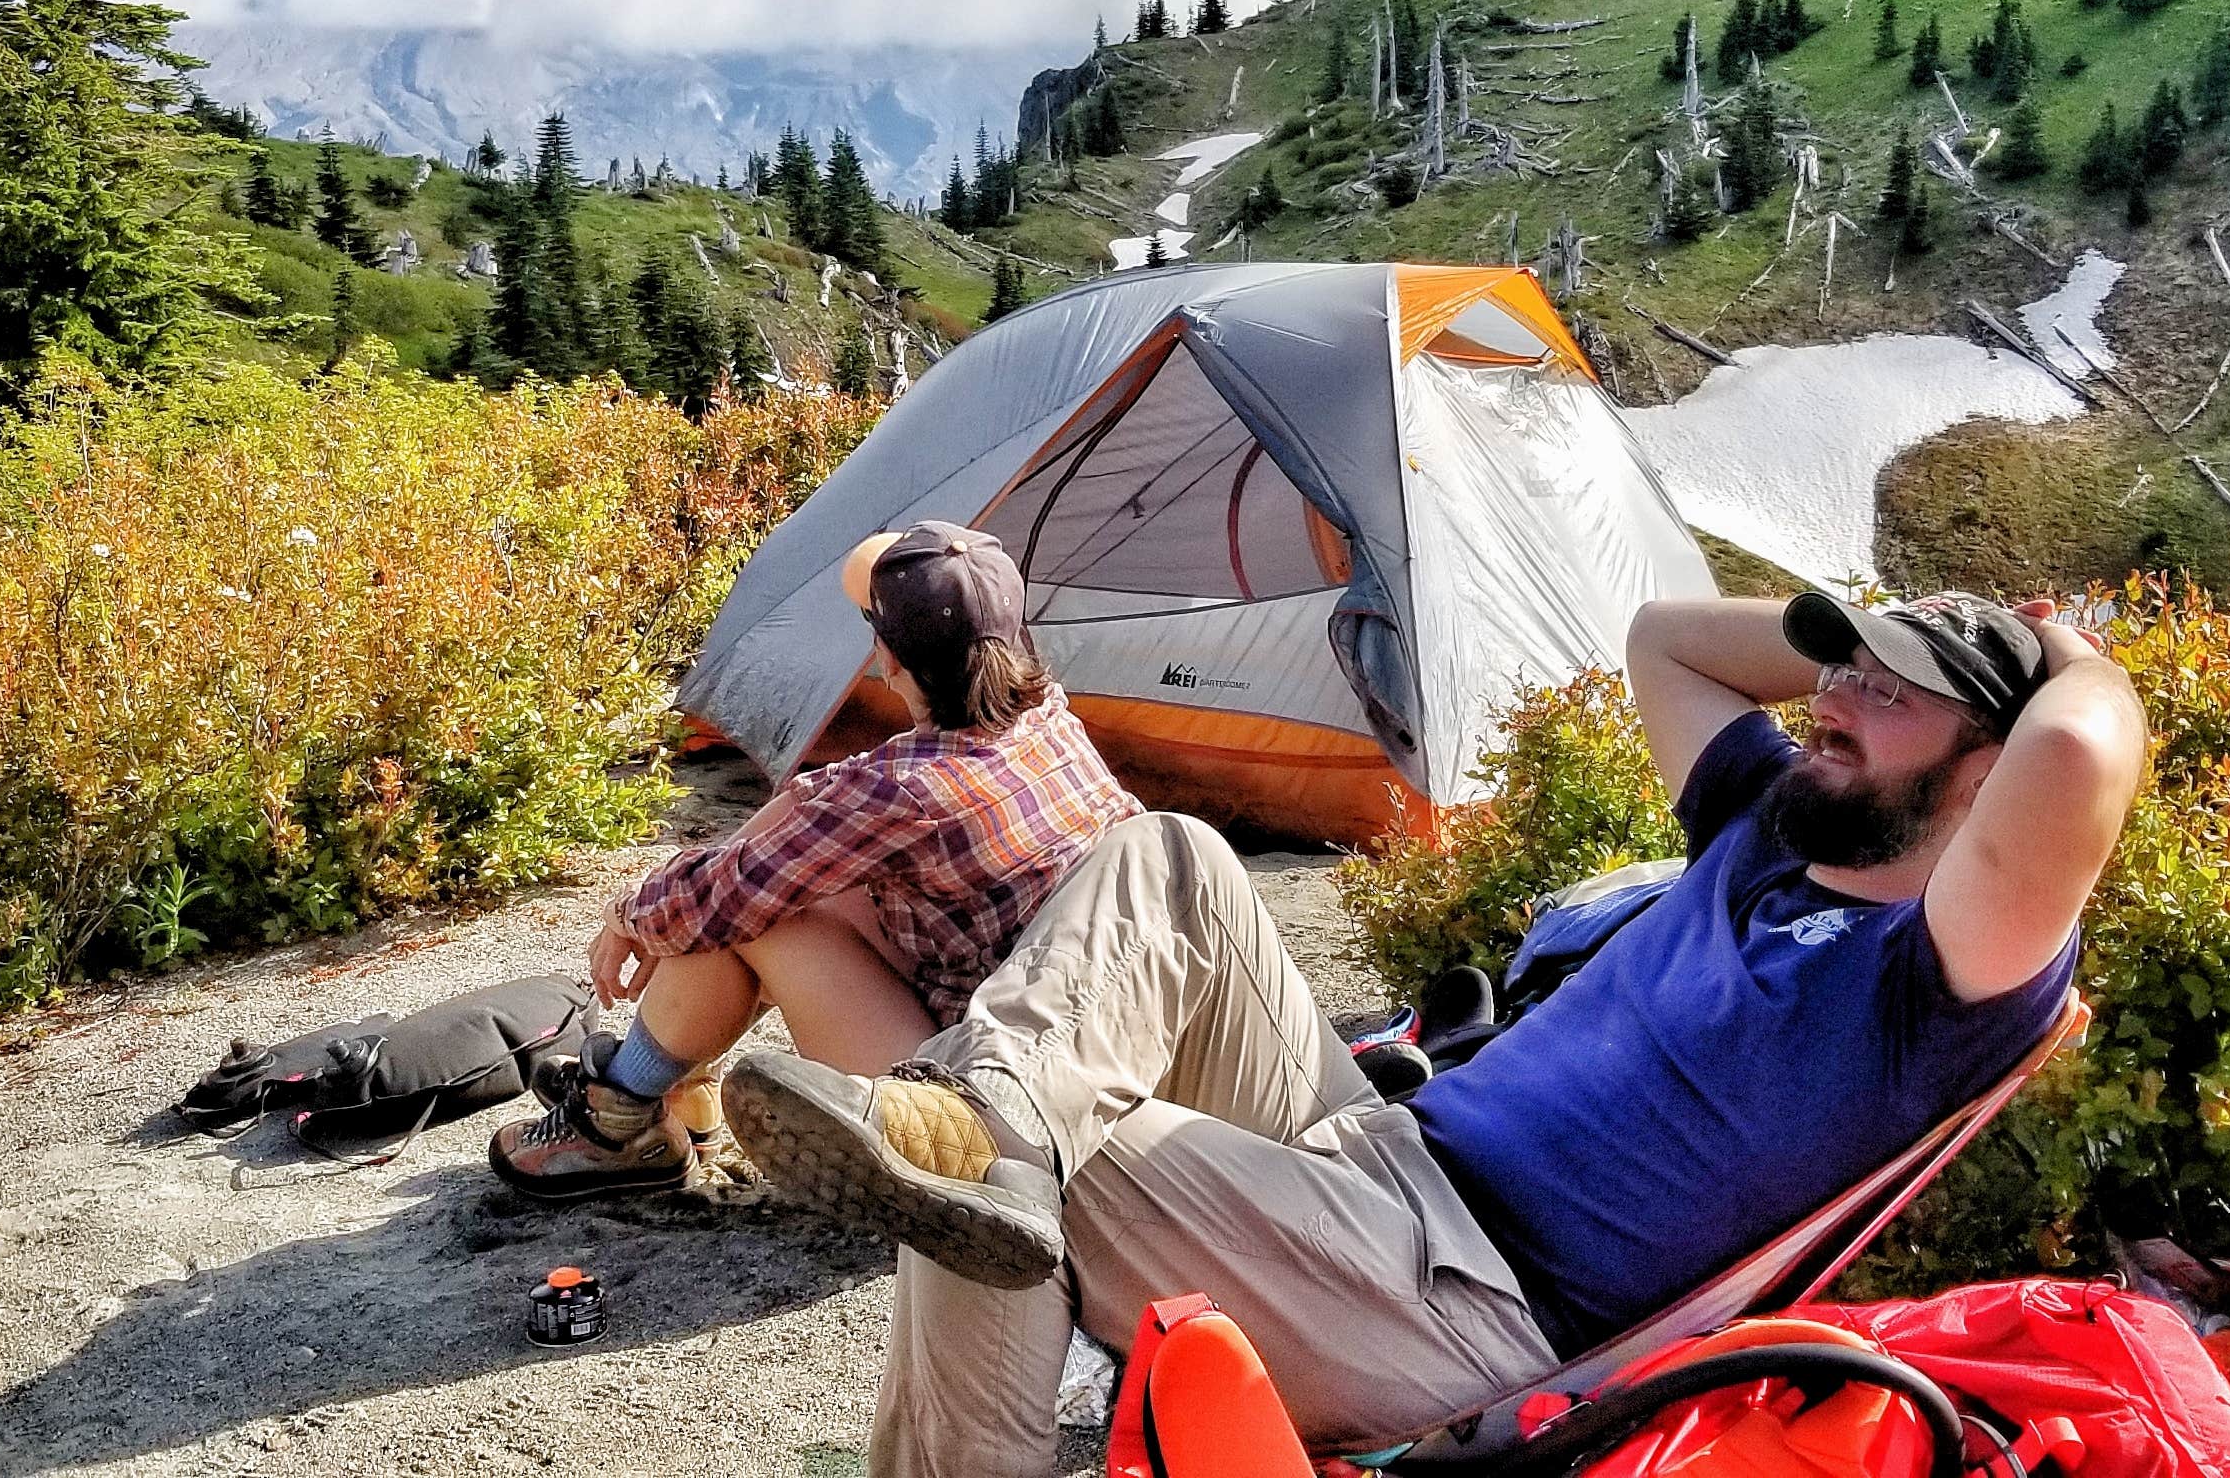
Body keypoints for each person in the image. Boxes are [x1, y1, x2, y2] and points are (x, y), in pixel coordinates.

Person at [723, 588, 2144, 1475]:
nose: (1832, 699)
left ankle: (991, 1147)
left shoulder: (1937, 976)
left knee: (1011, 1167)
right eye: (1838, 673)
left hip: (1461, 1305)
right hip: (1366, 1159)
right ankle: (995, 1120)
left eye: (1890, 693)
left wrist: (2061, 655)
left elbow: (2078, 749)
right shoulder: (1766, 830)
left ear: (1986, 761)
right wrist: (1863, 635)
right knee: (1167, 862)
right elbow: (1663, 637)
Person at [490, 522, 1140, 1199]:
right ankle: (665, 1087)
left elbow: (721, 899)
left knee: (755, 917)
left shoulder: (903, 792)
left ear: (887, 660)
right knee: (795, 888)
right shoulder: (1047, 715)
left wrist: (628, 912)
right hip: (1073, 1053)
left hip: (972, 1113)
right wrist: (773, 823)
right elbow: (826, 809)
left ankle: (618, 1116)